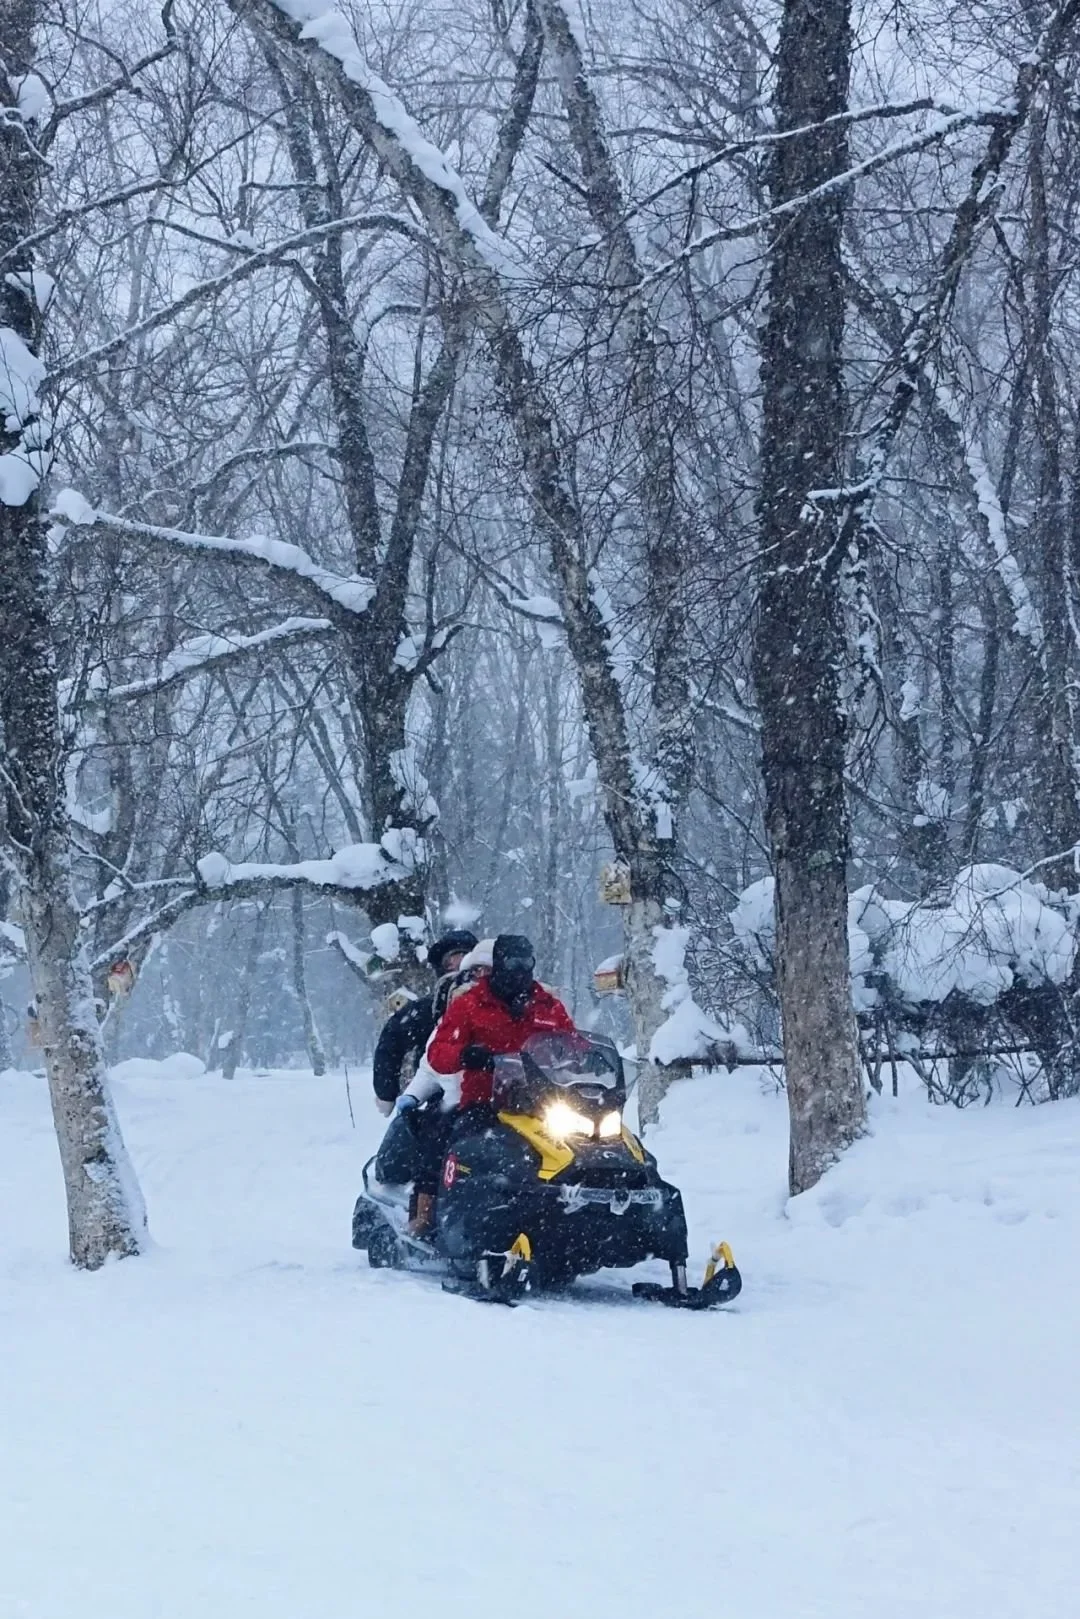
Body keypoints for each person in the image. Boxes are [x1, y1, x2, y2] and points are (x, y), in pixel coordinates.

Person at [394, 934, 575, 1234]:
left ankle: (577, 1207)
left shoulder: (547, 1004)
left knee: (589, 1138)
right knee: (445, 1137)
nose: (520, 969)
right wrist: (466, 1055)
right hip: (486, 1101)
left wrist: (584, 1060)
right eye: (513, 962)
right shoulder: (470, 1003)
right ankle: (425, 1213)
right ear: (498, 964)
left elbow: (573, 1044)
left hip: (543, 1100)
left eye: (526, 962)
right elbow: (438, 1053)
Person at [371, 930, 478, 1115]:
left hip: (498, 1099)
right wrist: (387, 1092)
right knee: (407, 1135)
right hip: (441, 1103)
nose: (460, 966)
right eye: (452, 960)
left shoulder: (503, 1003)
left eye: (466, 958)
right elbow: (390, 1042)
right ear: (442, 966)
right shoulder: (425, 1010)